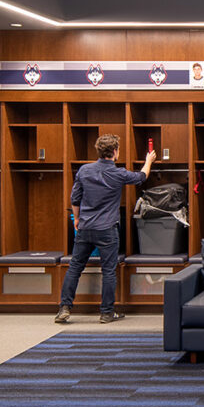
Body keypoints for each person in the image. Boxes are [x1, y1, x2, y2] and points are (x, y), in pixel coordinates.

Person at [57, 133, 155, 324]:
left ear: (99, 151)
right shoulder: (118, 173)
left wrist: (76, 219)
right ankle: (106, 313)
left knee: (75, 267)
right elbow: (141, 177)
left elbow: (75, 198)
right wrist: (148, 160)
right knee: (108, 270)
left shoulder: (84, 171)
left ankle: (64, 308)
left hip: (85, 227)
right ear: (115, 151)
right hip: (107, 230)